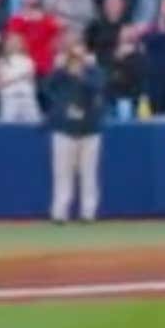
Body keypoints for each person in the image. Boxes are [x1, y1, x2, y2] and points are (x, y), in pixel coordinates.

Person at [43, 36, 104, 223]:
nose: (76, 55)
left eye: (79, 50)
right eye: (73, 50)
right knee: (62, 173)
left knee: (89, 173)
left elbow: (98, 87)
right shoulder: (61, 74)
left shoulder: (93, 71)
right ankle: (59, 212)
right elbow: (45, 87)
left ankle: (88, 212)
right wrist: (60, 69)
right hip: (64, 128)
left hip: (89, 128)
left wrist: (81, 73)